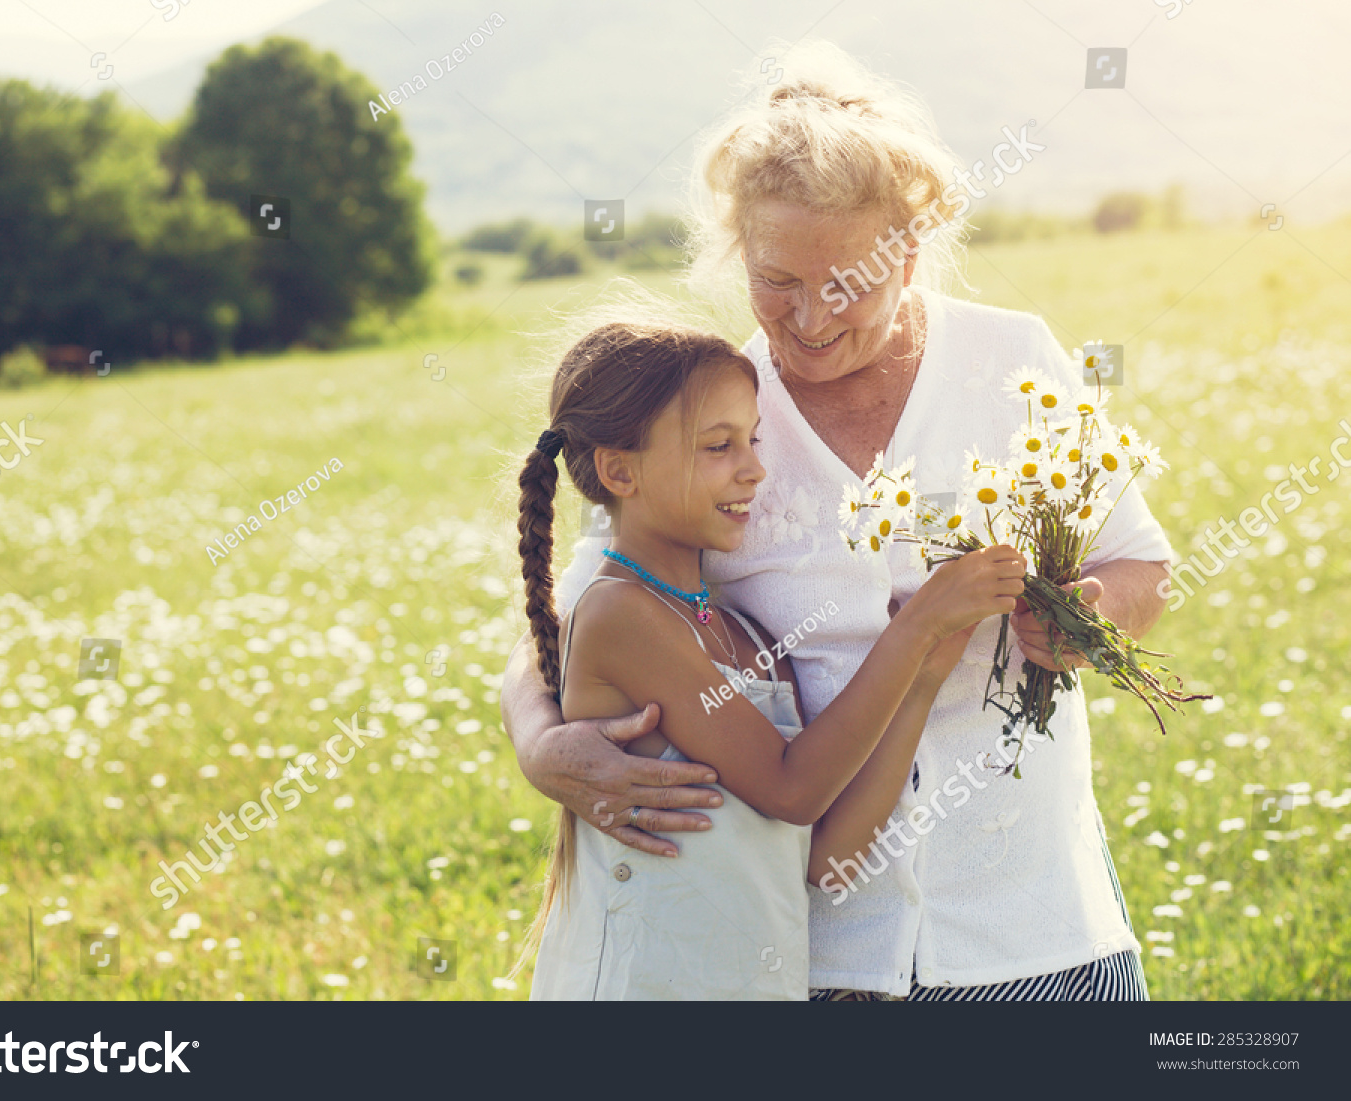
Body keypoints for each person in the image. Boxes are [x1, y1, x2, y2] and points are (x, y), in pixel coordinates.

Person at [501, 42, 1174, 1000]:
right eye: (778, 279)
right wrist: (541, 743)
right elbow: (578, 608)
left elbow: (1143, 565)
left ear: (912, 246)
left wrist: (1087, 613)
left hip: (1033, 923)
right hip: (814, 951)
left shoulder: (1011, 360)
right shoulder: (712, 416)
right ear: (740, 249)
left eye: (848, 283)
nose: (811, 317)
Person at [510, 318, 1025, 999]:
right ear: (618, 470)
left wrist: (926, 670)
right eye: (718, 445)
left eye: (752, 440)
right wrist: (916, 625)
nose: (753, 467)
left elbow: (825, 856)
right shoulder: (619, 612)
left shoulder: (744, 636)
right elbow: (791, 786)